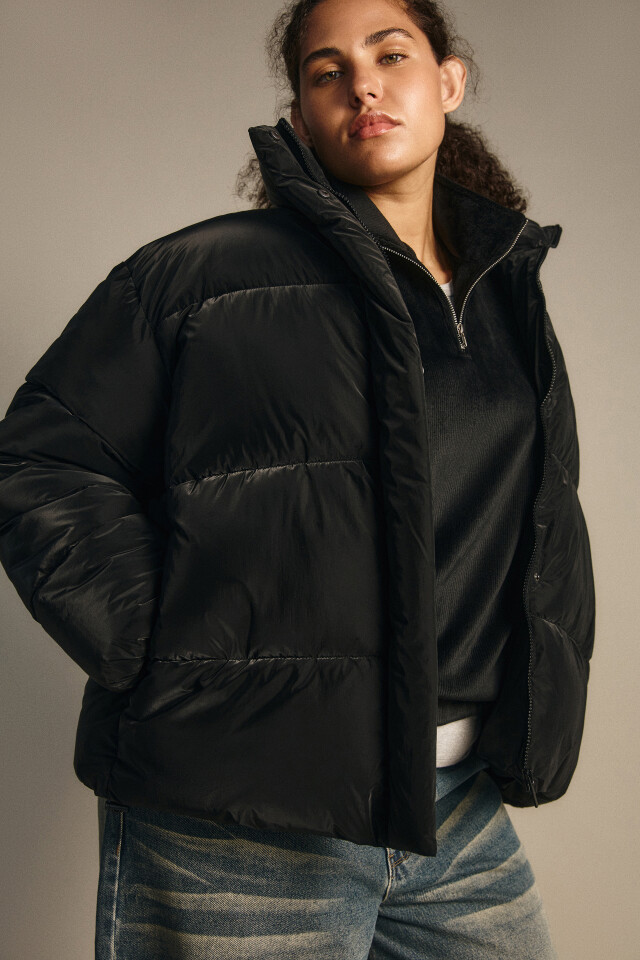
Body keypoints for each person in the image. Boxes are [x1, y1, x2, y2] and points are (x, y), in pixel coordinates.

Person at [0, 0, 595, 957]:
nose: (362, 84)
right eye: (327, 71)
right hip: (240, 817)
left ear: (448, 81)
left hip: (451, 805)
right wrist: (160, 653)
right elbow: (41, 456)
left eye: (390, 54)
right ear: (301, 117)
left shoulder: (504, 295)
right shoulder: (201, 277)